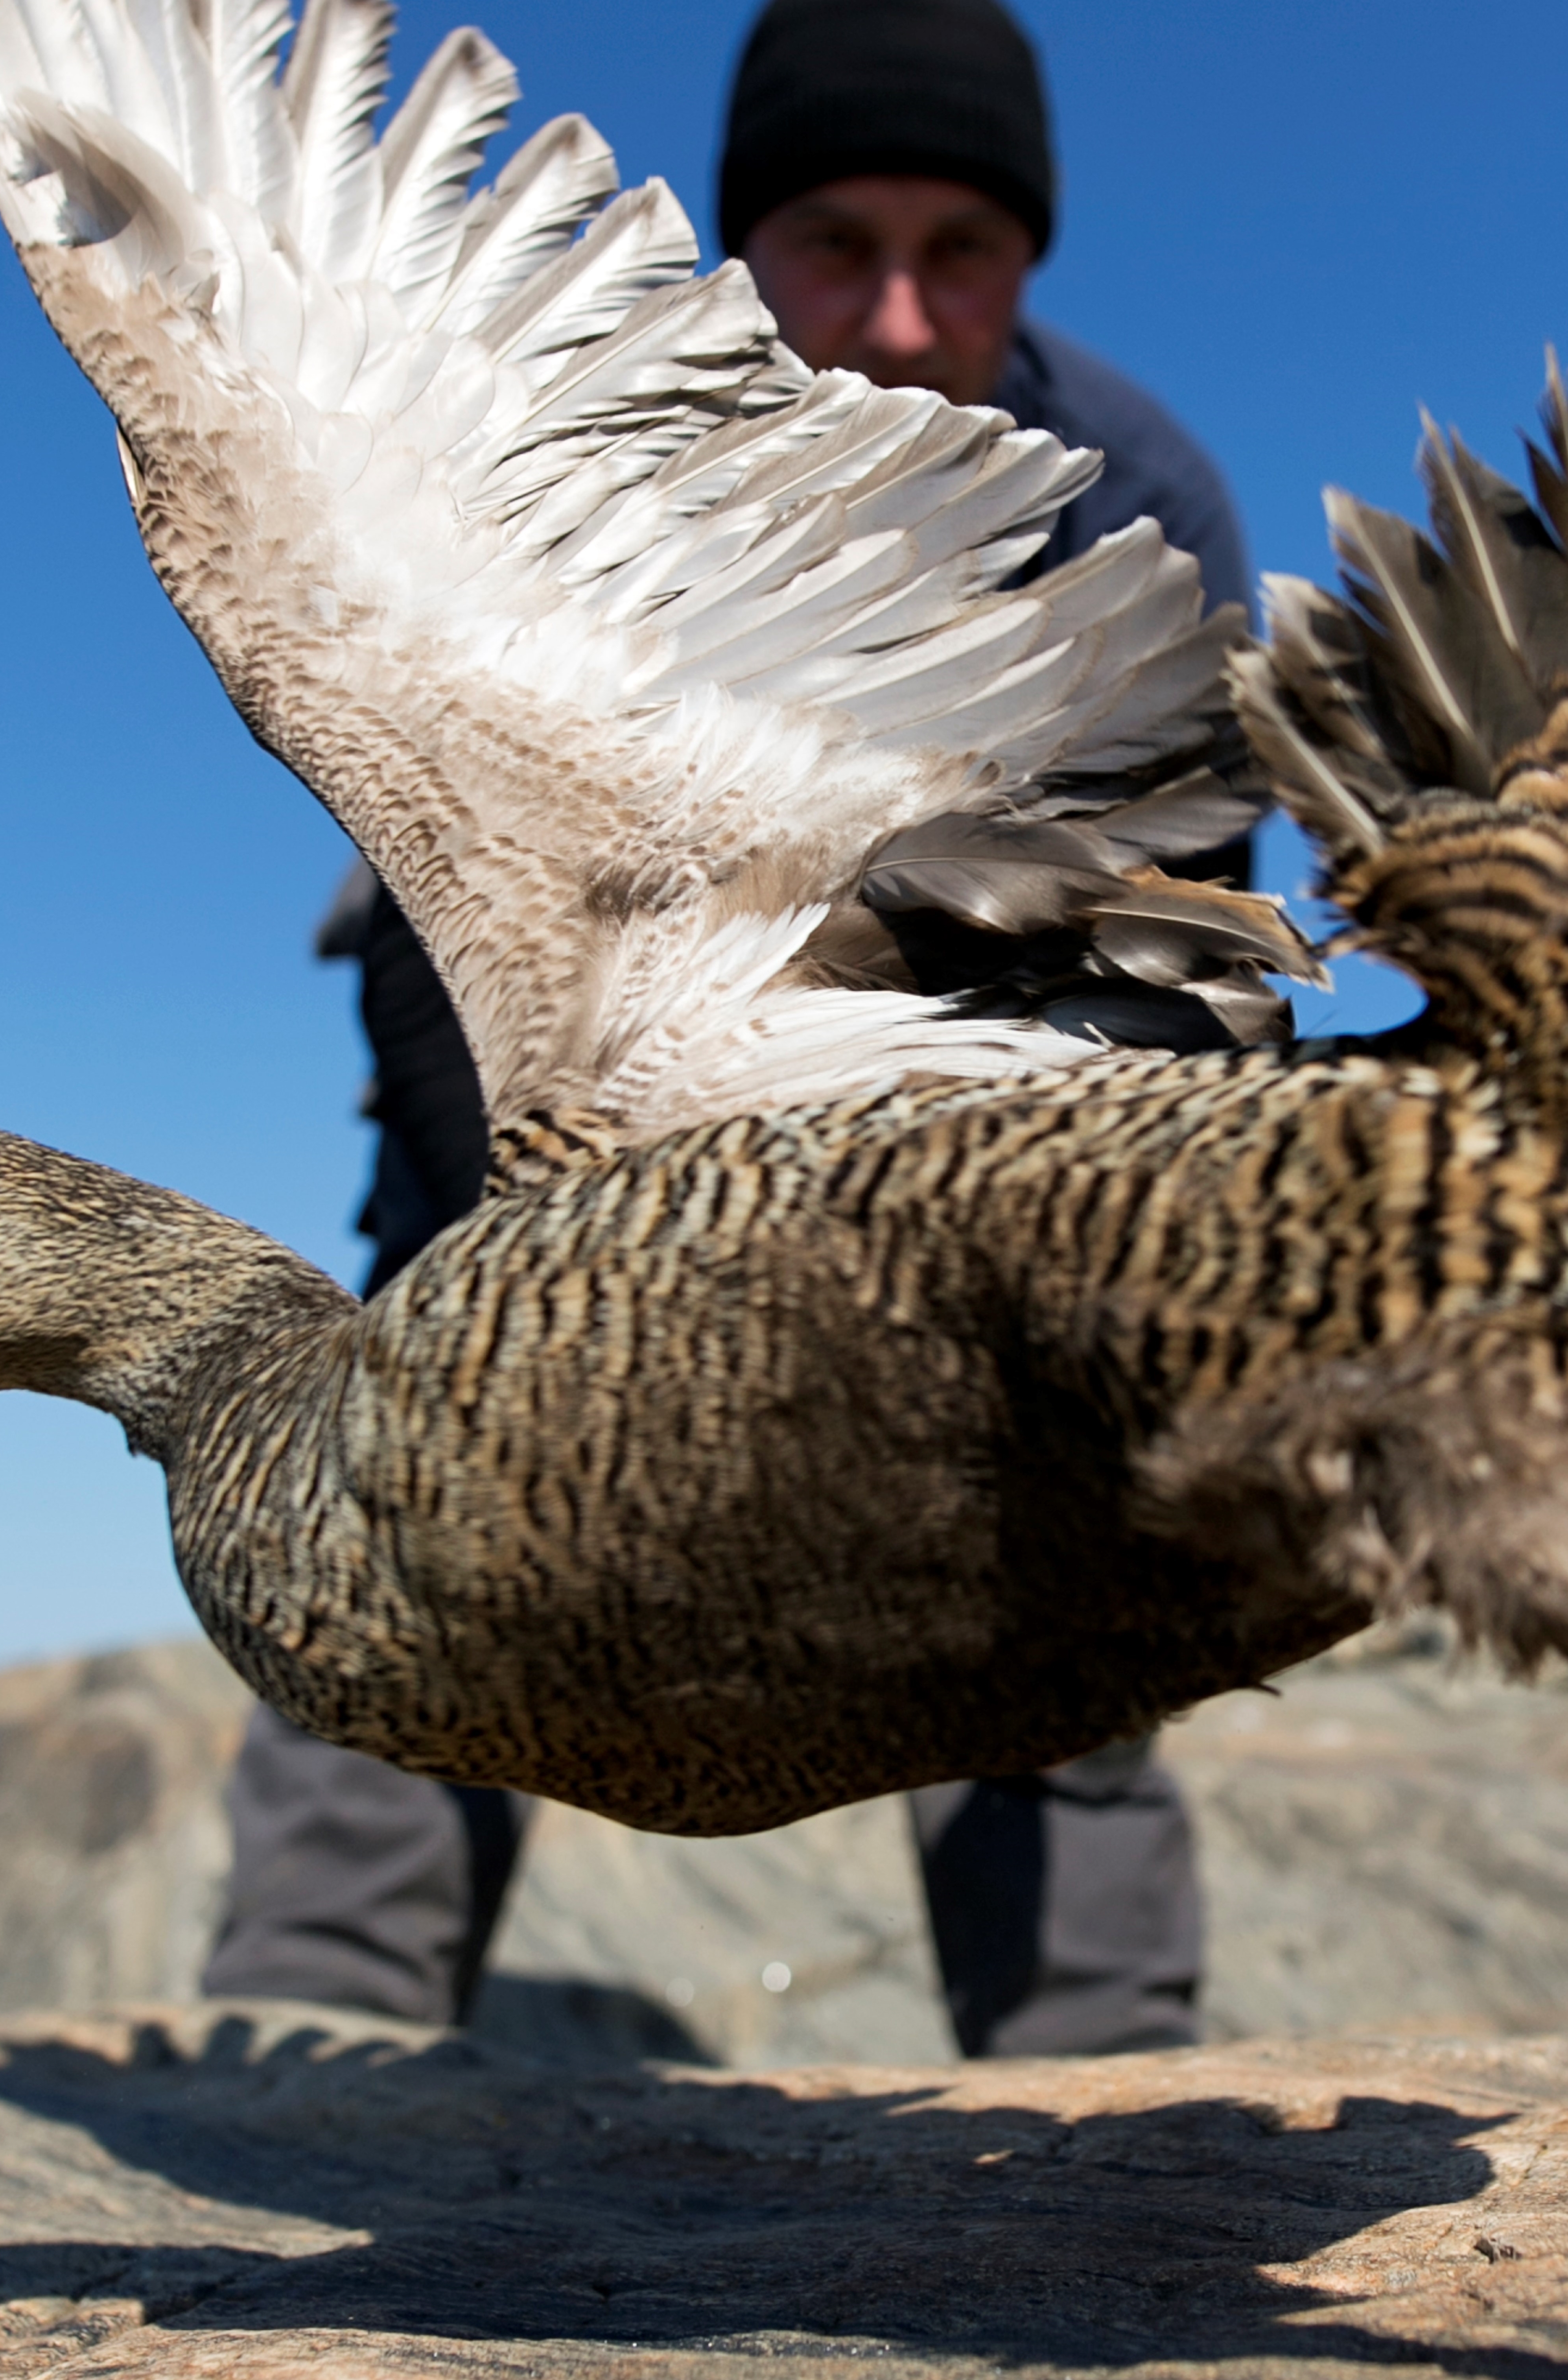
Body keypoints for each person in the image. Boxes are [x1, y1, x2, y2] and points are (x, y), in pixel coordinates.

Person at [206, 0, 1254, 2058]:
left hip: (978, 1108)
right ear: (735, 247)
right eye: (830, 243)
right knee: (401, 1467)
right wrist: (571, 1224)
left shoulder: (1126, 503)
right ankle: (311, 2054)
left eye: (957, 252)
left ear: (1023, 264)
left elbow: (1181, 925)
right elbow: (444, 845)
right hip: (526, 1040)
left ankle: (1103, 2101)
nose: (888, 314)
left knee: (1060, 1504)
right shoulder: (573, 437)